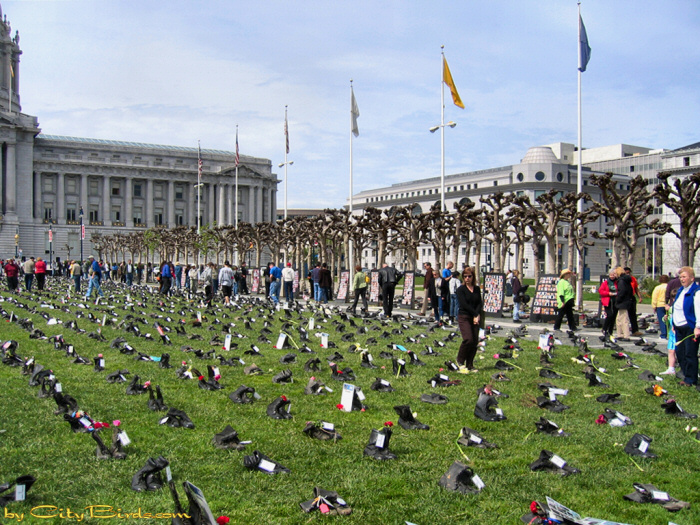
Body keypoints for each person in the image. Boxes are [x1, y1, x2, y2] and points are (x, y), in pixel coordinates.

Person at [670, 266, 700, 387]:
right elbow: (675, 308)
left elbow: (698, 310)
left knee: (690, 353)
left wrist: (697, 327)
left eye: (684, 277)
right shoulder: (681, 291)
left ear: (692, 278)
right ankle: (685, 374)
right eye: (680, 277)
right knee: (680, 352)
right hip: (679, 327)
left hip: (690, 327)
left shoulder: (696, 292)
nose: (682, 279)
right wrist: (673, 324)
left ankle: (691, 379)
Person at [455, 267, 483, 373]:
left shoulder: (476, 289)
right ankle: (460, 360)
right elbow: (464, 304)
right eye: (465, 276)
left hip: (475, 317)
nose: (467, 278)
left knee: (475, 341)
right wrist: (475, 314)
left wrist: (477, 315)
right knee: (468, 339)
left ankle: (470, 364)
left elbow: (479, 302)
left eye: (469, 276)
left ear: (473, 277)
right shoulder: (460, 290)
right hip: (464, 316)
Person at [598, 269, 618, 339]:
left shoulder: (617, 282)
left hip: (615, 301)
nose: (612, 276)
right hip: (607, 301)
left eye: (613, 275)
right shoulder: (606, 283)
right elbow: (601, 291)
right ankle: (604, 328)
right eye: (611, 275)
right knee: (610, 315)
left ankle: (610, 331)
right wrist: (608, 293)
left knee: (613, 317)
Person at [614, 266, 633, 341]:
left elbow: (622, 291)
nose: (614, 275)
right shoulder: (625, 280)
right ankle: (620, 334)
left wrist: (618, 299)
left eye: (615, 273)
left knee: (624, 319)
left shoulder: (621, 281)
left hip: (623, 302)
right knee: (619, 319)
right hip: (626, 300)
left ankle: (626, 335)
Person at [624, 267, 643, 336]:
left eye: (629, 273)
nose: (628, 274)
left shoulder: (633, 279)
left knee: (633, 315)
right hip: (625, 298)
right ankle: (624, 331)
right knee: (624, 316)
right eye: (626, 273)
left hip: (632, 298)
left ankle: (635, 330)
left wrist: (640, 297)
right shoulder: (622, 280)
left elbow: (636, 288)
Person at [651, 275, 669, 339]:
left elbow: (654, 298)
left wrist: (654, 306)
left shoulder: (657, 288)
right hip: (668, 305)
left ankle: (663, 334)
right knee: (669, 320)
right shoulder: (669, 286)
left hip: (660, 305)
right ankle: (669, 333)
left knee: (662, 320)